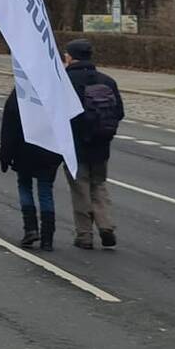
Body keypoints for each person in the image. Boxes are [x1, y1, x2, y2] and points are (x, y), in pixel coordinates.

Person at [63, 40, 123, 250]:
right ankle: (106, 225)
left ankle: (85, 235)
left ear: (70, 57)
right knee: (99, 185)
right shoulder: (107, 81)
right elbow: (119, 113)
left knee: (80, 189)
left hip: (75, 146)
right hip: (101, 146)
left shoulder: (65, 81)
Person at [0, 89, 62, 251]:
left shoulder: (19, 93)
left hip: (24, 150)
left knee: (25, 186)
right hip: (49, 150)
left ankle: (31, 229)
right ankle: (48, 237)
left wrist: (5, 156)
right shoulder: (53, 91)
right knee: (45, 190)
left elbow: (9, 127)